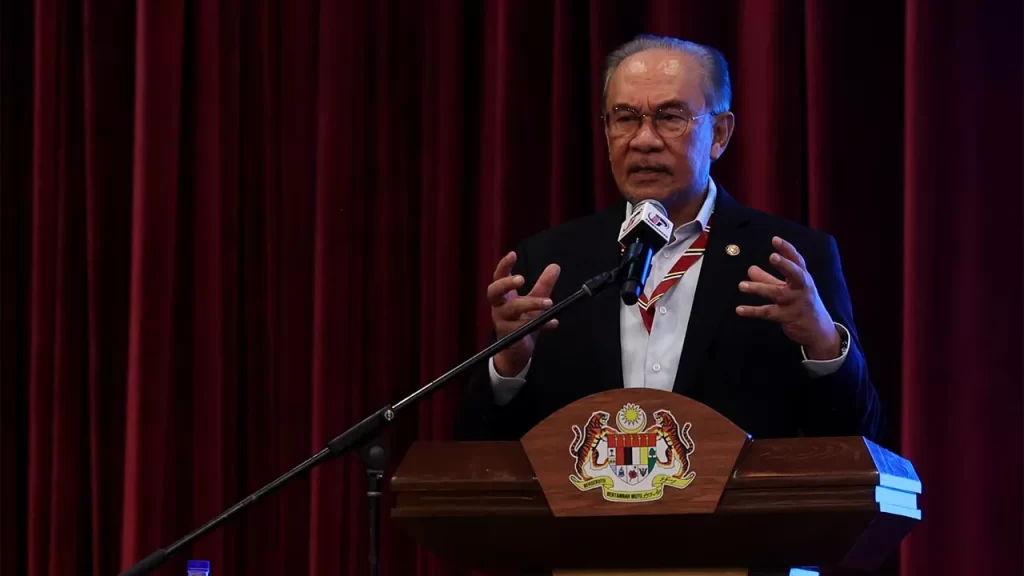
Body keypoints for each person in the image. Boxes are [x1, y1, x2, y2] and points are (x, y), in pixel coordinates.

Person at [454, 35, 883, 443]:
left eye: (670, 117)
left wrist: (821, 344)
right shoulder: (550, 263)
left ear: (719, 134)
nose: (644, 141)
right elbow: (478, 447)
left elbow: (863, 437)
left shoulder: (787, 261)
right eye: (625, 118)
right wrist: (510, 364)